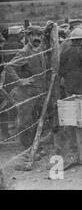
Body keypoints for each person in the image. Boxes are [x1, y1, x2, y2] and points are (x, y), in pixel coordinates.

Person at [5, 26, 47, 156]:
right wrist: (20, 81)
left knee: (35, 119)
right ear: (27, 37)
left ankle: (34, 147)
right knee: (24, 121)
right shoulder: (24, 52)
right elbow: (9, 67)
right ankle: (26, 149)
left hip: (38, 91)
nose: (36, 38)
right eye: (32, 35)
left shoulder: (41, 50)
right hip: (25, 92)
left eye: (39, 35)